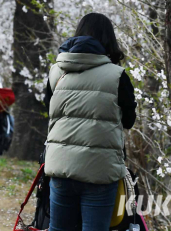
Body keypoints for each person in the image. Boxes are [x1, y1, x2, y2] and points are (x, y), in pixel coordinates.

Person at [44, 12, 137, 231]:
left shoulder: (56, 71)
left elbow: (50, 111)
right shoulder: (117, 75)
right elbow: (129, 120)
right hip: (100, 171)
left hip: (61, 167)